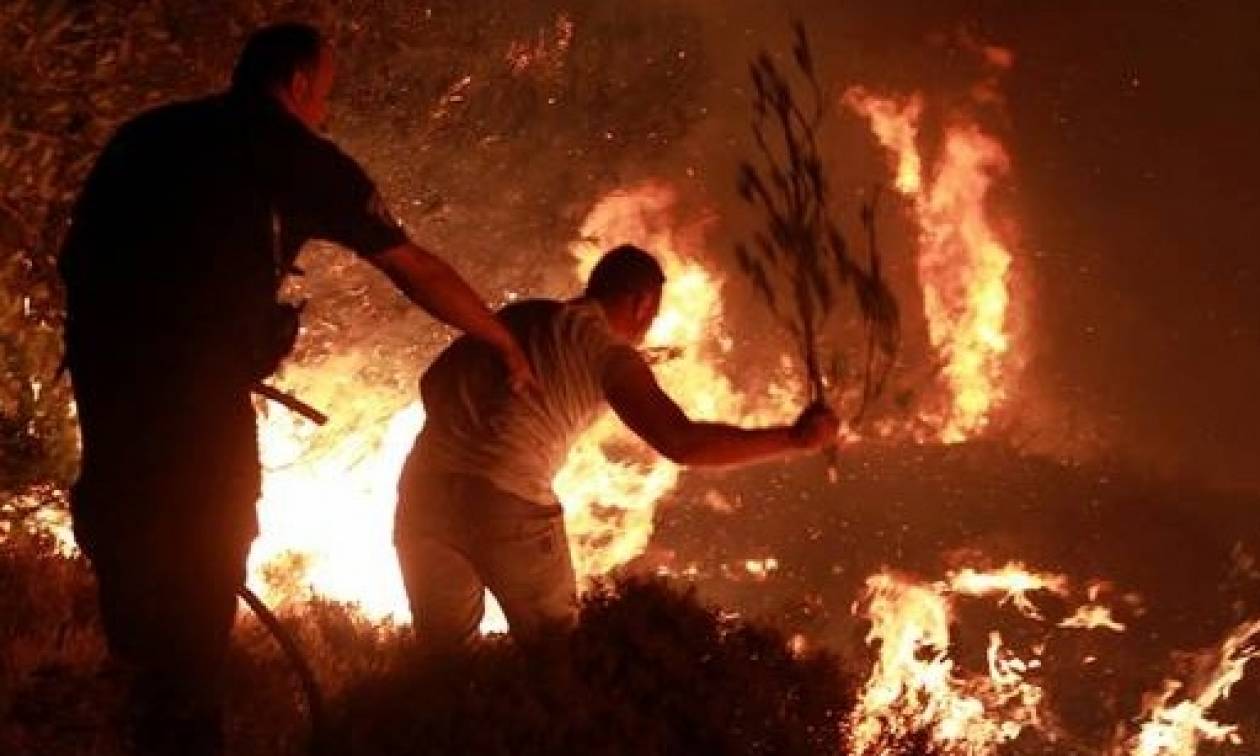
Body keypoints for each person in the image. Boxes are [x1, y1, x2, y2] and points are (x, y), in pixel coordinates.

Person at [58, 22, 533, 756]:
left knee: (126, 534)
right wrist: (498, 337)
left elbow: (78, 253)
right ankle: (182, 724)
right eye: (326, 96)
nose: (327, 113)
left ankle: (136, 694)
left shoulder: (147, 135)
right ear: (301, 83)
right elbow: (413, 267)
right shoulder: (299, 158)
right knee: (210, 543)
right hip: (194, 391)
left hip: (106, 376)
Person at [395, 244, 839, 651]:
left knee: (444, 658)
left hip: (421, 494)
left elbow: (432, 380)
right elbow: (681, 443)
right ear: (642, 303)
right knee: (555, 652)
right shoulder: (605, 352)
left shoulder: (524, 315)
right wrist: (795, 440)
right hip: (507, 504)